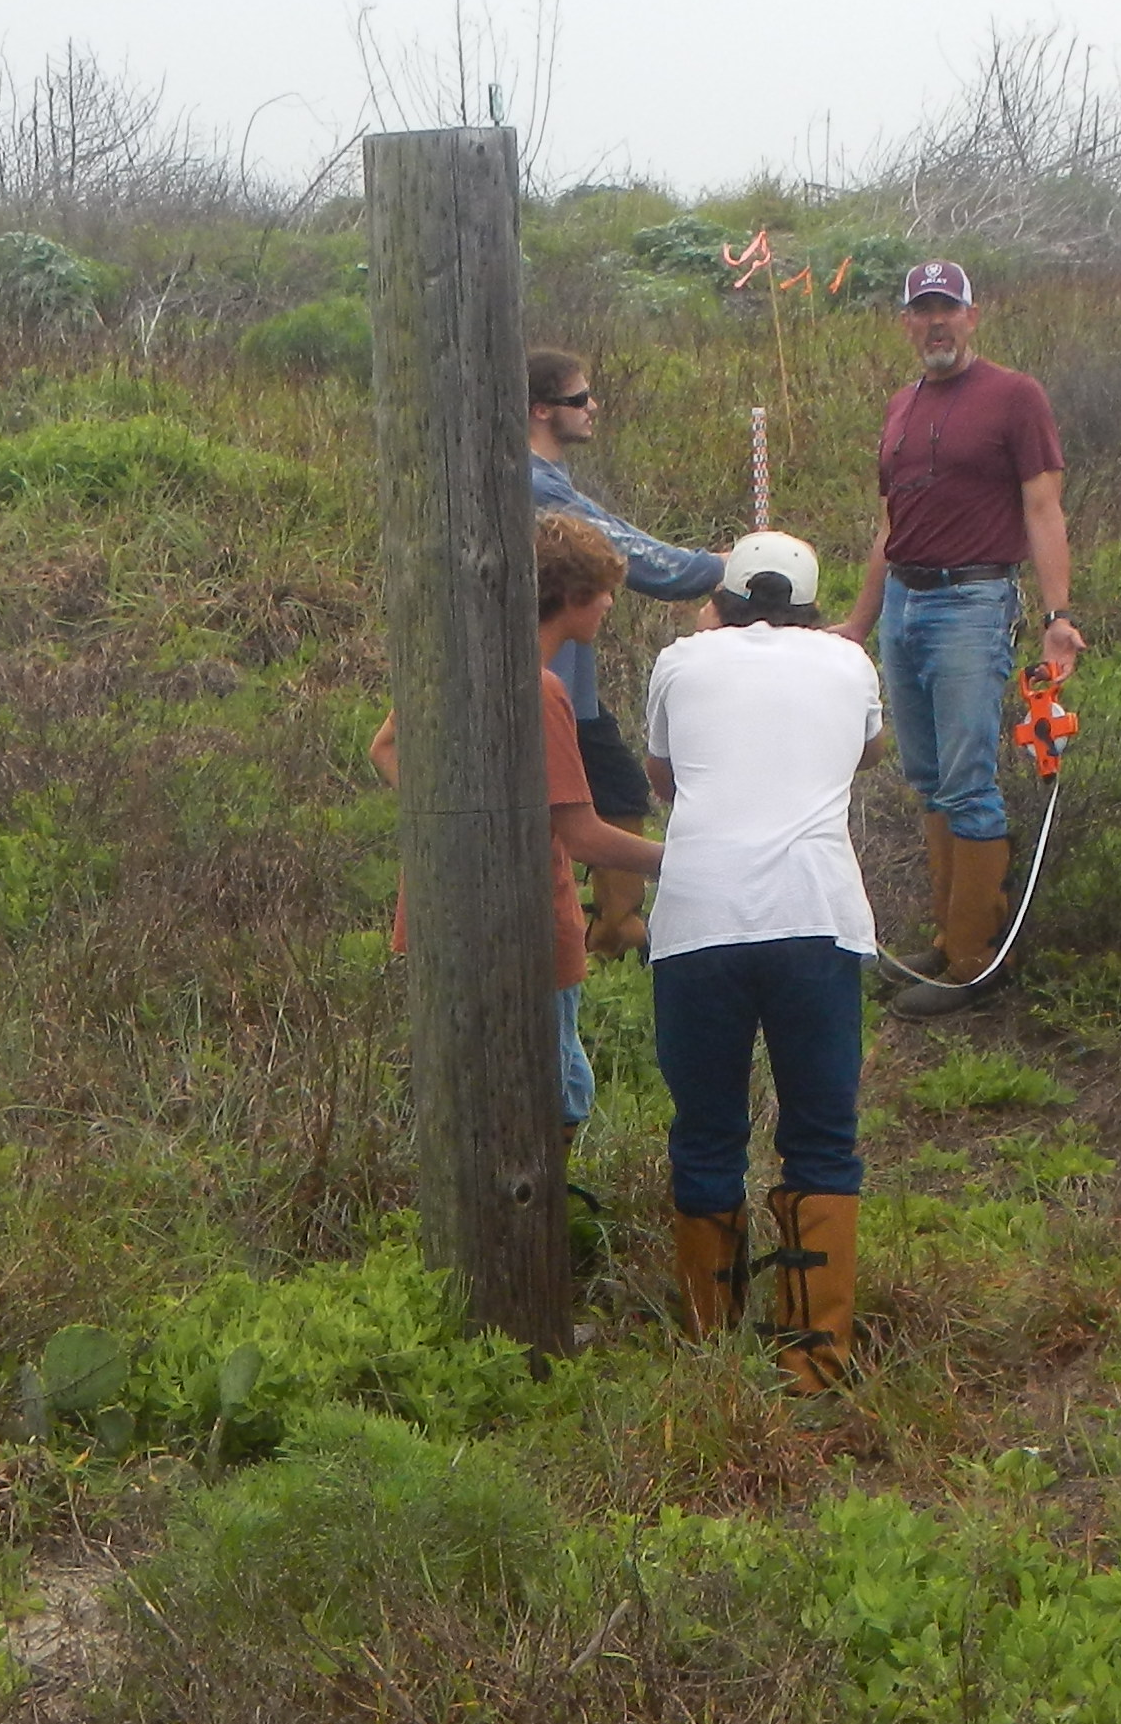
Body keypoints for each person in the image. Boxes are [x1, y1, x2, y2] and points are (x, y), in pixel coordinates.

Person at [643, 529, 886, 1391]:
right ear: (810, 601)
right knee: (822, 1136)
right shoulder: (849, 666)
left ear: (727, 598)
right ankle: (815, 1358)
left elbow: (664, 778)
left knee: (706, 1130)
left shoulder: (680, 660)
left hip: (699, 918)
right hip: (815, 918)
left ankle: (710, 1342)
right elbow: (863, 753)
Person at [835, 262, 1080, 1015]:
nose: (937, 323)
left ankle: (975, 963)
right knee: (927, 774)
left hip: (973, 600)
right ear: (906, 322)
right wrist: (858, 621)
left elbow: (1043, 508)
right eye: (923, 310)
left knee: (968, 778)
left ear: (973, 317)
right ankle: (946, 940)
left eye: (950, 309)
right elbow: (889, 526)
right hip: (907, 603)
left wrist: (1056, 616)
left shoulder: (1015, 396)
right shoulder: (901, 406)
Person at [372, 512, 667, 1132]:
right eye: (603, 590)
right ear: (571, 598)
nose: (611, 602)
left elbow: (386, 749)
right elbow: (580, 834)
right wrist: (688, 861)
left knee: (473, 1087)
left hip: (440, 903)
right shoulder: (541, 690)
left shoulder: (451, 662)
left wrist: (449, 820)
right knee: (553, 1096)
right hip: (528, 921)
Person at [526, 348, 722, 951]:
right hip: (541, 685)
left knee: (612, 789)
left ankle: (615, 925)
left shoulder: (545, 478)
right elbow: (632, 555)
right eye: (578, 399)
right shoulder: (529, 481)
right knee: (579, 805)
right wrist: (725, 568)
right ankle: (605, 927)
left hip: (568, 685)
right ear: (539, 411)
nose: (593, 408)